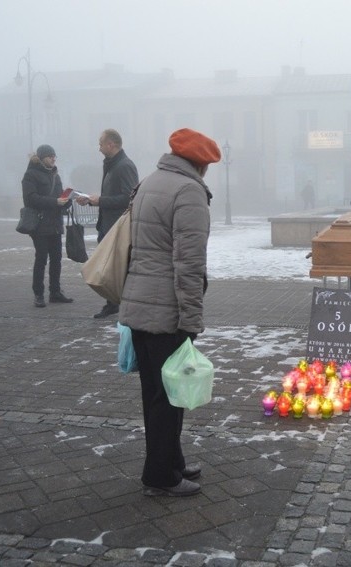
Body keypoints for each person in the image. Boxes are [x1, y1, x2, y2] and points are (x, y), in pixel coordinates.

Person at [119, 128, 221, 497]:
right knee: (169, 397)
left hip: (140, 305)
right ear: (200, 164)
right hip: (167, 311)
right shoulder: (189, 191)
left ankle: (171, 461)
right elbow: (189, 263)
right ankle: (160, 476)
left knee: (157, 394)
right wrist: (191, 320)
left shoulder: (149, 182)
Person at [76, 129, 139, 318]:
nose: (99, 148)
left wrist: (100, 200)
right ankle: (112, 303)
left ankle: (124, 304)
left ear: (111, 144)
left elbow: (129, 198)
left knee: (119, 266)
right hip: (108, 225)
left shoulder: (124, 165)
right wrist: (90, 200)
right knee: (109, 267)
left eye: (101, 143)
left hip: (118, 227)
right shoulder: (112, 165)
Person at [21, 144, 74, 308]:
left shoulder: (55, 176)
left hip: (55, 224)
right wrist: (55, 201)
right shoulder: (30, 175)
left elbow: (59, 198)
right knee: (41, 259)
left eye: (54, 156)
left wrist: (67, 200)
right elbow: (30, 199)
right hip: (39, 224)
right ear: (42, 157)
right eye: (50, 156)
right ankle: (38, 294)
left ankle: (55, 292)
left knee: (56, 259)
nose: (53, 158)